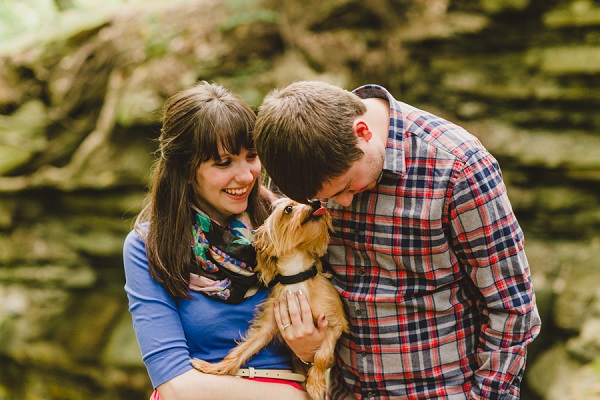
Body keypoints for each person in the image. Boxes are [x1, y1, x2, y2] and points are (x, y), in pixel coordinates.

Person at [254, 81, 542, 399]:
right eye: (326, 198)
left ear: (362, 132)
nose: (343, 203)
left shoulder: (459, 167)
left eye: (347, 186)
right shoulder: (302, 156)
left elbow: (512, 306)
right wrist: (308, 348)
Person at [123, 82, 325, 400]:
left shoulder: (286, 223)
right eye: (223, 162)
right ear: (186, 171)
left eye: (251, 156)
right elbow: (174, 385)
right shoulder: (149, 246)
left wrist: (312, 351)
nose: (246, 175)